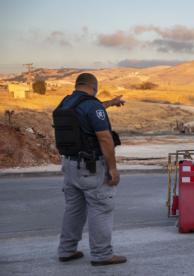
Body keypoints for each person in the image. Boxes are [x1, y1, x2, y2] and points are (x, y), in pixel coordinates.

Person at [55, 73, 127, 266]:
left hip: (70, 165)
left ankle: (66, 250)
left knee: (74, 210)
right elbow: (104, 138)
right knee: (101, 207)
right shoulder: (92, 105)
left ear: (78, 85)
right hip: (91, 167)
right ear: (94, 86)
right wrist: (113, 169)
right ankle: (102, 254)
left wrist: (110, 103)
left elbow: (88, 111)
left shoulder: (66, 103)